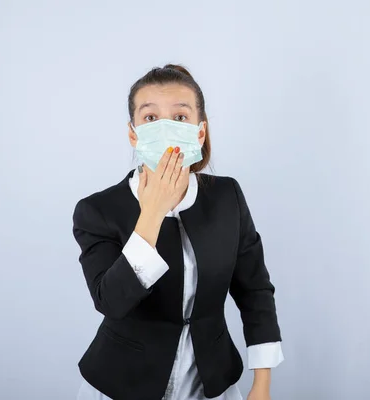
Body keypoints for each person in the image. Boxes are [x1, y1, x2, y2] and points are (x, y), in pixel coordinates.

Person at [72, 65, 284, 400]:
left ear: (200, 133)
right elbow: (111, 302)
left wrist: (262, 384)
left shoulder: (227, 197)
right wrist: (153, 212)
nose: (167, 128)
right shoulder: (97, 210)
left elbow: (255, 290)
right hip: (121, 384)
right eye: (151, 118)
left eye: (180, 117)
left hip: (211, 382)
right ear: (133, 133)